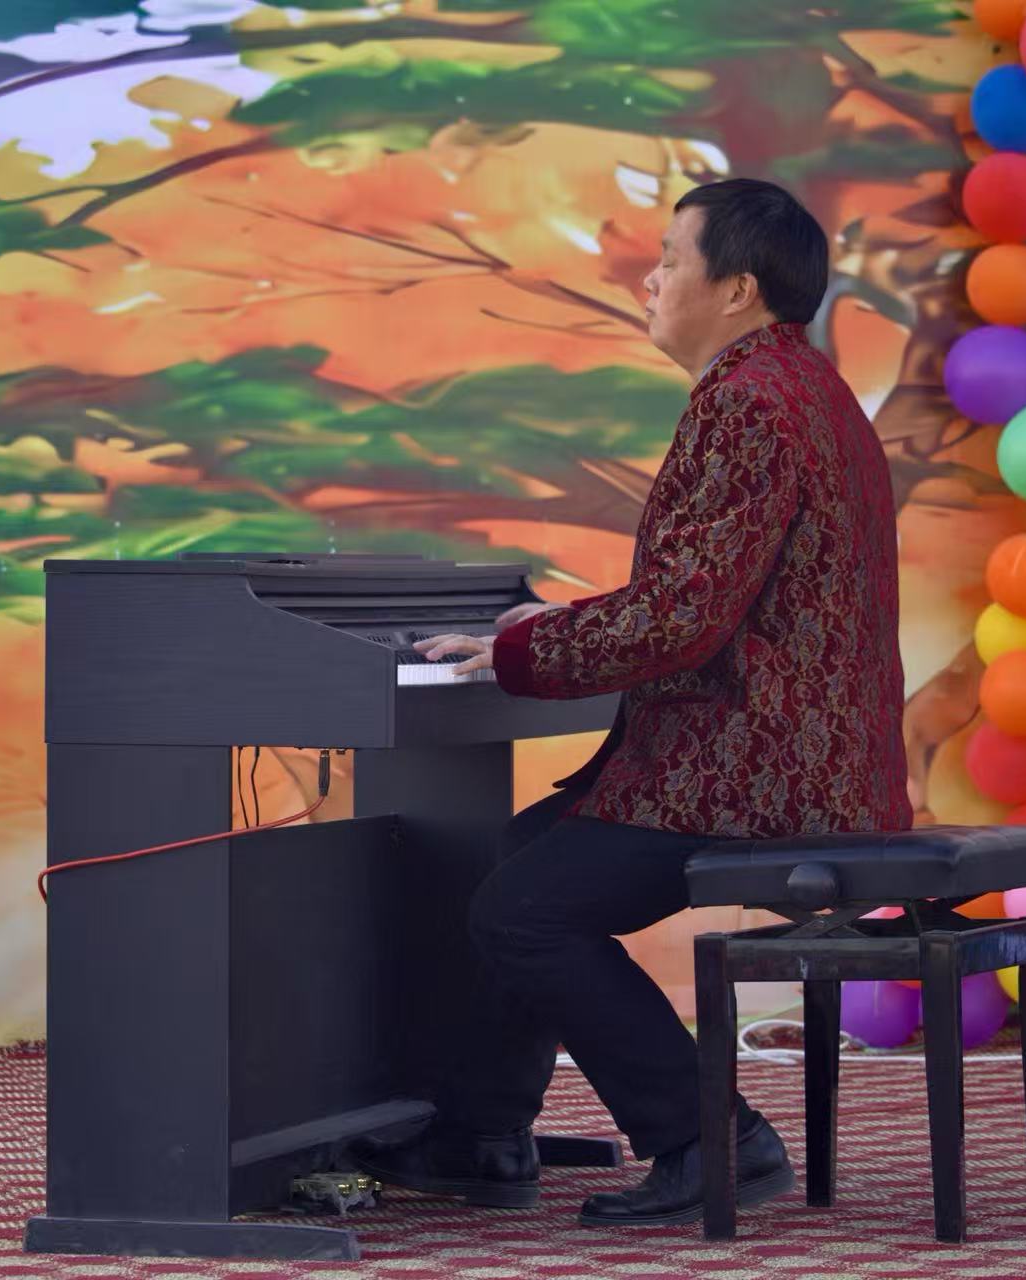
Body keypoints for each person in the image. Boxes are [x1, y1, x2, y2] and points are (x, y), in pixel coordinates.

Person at [351, 178, 910, 1225]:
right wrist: (549, 629)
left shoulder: (747, 400)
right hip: (801, 753)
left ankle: (709, 1138)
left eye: (669, 258)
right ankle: (481, 1133)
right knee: (520, 859)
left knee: (523, 911)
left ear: (737, 288)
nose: (648, 279)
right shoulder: (802, 385)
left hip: (755, 770)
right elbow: (705, 593)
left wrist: (519, 647)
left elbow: (683, 618)